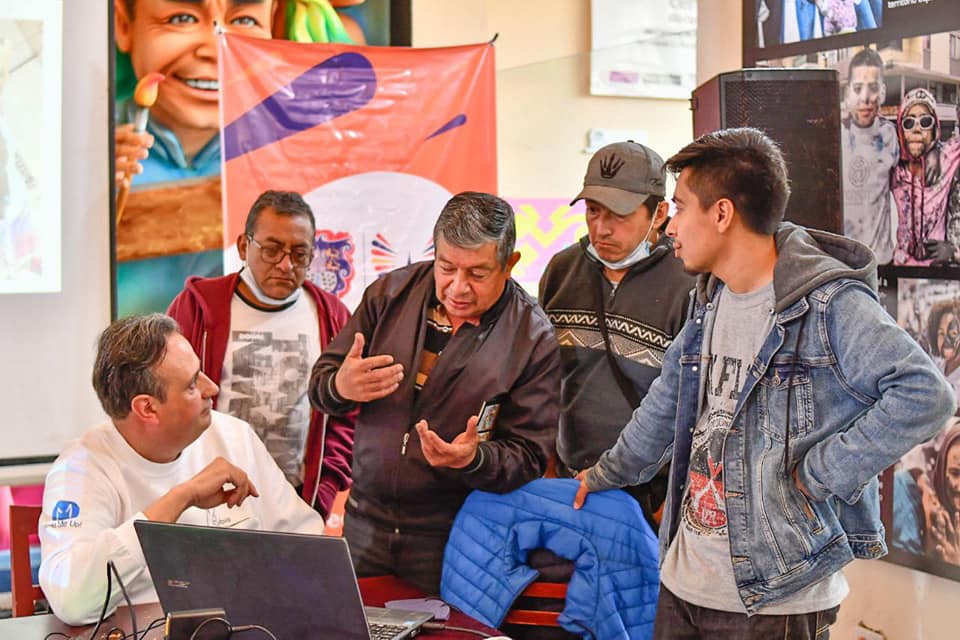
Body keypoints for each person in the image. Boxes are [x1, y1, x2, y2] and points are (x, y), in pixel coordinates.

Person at [572, 128, 956, 638]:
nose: (671, 228)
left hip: (776, 592)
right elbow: (664, 408)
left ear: (723, 213)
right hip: (684, 579)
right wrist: (601, 475)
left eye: (681, 208)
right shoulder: (707, 300)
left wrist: (820, 473)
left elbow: (925, 395)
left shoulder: (828, 305)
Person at [310, 191, 561, 593]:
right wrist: (340, 385)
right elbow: (320, 385)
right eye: (446, 268)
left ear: (509, 265)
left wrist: (474, 458)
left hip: (455, 535)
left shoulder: (531, 336)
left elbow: (529, 455)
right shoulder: (388, 295)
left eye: (477, 274)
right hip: (363, 525)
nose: (458, 287)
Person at [39, 314, 328, 625]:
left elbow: (311, 548)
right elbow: (73, 601)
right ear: (147, 408)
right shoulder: (82, 468)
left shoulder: (234, 437)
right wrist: (181, 498)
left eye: (201, 371)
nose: (212, 387)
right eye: (193, 384)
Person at [167, 190, 354, 519]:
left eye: (300, 254)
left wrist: (323, 490)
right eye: (271, 250)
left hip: (295, 498)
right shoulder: (197, 308)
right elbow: (168, 392)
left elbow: (347, 414)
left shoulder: (333, 316)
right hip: (210, 495)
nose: (285, 264)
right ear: (243, 246)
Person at [538, 141, 693, 527]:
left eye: (619, 216)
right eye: (593, 212)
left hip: (649, 500)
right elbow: (542, 380)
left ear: (659, 214)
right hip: (570, 487)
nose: (601, 229)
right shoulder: (562, 271)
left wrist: (667, 504)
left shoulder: (689, 282)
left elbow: (698, 404)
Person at [840, 48, 898, 265]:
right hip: (842, 263)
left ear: (882, 92)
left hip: (881, 264)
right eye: (857, 88)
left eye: (872, 88)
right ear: (848, 93)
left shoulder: (891, 135)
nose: (865, 98)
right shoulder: (835, 137)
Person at [892, 87, 960, 266]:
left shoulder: (947, 158)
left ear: (934, 129)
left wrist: (954, 251)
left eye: (925, 121)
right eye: (909, 123)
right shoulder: (892, 169)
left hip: (936, 276)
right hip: (900, 273)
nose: (916, 129)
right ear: (901, 129)